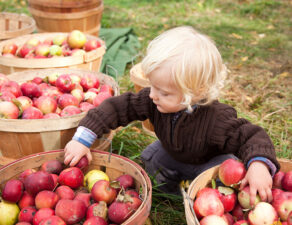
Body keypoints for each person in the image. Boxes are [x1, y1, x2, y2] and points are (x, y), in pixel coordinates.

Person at [64, 26, 279, 205]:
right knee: (149, 158)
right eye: (153, 86)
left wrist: (259, 165)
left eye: (164, 92)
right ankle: (173, 192)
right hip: (172, 153)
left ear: (196, 93)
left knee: (227, 181)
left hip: (208, 164)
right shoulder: (153, 99)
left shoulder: (217, 119)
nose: (153, 95)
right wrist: (83, 137)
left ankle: (197, 196)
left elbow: (251, 136)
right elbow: (116, 108)